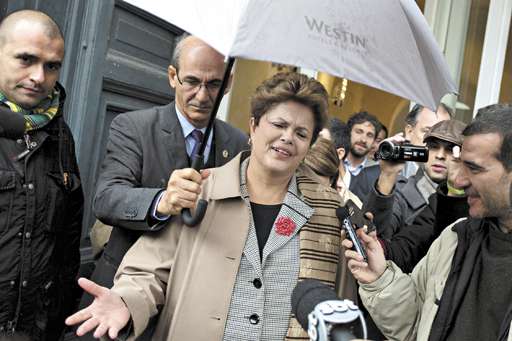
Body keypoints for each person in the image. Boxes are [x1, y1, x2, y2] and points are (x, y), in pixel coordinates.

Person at [66, 72, 354, 341]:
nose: (288, 137)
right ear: (253, 126)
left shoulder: (328, 210)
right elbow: (147, 272)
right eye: (279, 125)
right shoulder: (200, 191)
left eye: (301, 133)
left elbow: (339, 298)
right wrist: (126, 302)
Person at [84, 34, 248, 308]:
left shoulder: (239, 143)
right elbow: (106, 198)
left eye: (214, 84)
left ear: (228, 83)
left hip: (195, 297)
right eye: (192, 81)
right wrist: (161, 201)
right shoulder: (133, 127)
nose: (203, 95)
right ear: (173, 76)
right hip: (126, 289)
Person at [344, 103, 512, 340]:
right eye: (432, 144)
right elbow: (418, 321)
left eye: (474, 168)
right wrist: (380, 278)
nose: (461, 180)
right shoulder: (455, 236)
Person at [0, 10, 84, 341]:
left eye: (52, 66)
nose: (39, 76)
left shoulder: (61, 135)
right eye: (26, 59)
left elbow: (67, 241)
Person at [366, 119, 467, 238]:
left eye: (450, 149)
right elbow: (375, 237)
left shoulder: (473, 200)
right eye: (434, 147)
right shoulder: (401, 193)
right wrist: (387, 174)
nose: (440, 156)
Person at [402, 103, 452, 178]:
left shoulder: (455, 182)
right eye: (428, 132)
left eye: (443, 134)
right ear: (409, 132)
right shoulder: (385, 173)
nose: (436, 140)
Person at [343, 112, 382, 203]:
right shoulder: (333, 161)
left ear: (373, 141)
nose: (363, 140)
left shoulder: (377, 173)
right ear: (348, 133)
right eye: (359, 132)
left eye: (369, 135)